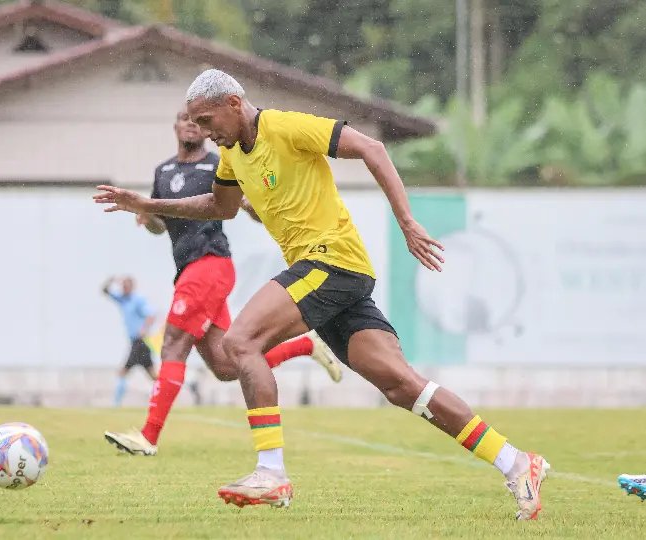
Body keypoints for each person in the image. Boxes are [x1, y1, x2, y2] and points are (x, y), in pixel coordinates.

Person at [93, 69, 551, 521]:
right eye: (197, 123)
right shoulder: (232, 155)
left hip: (331, 262)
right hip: (334, 274)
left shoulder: (287, 127)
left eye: (208, 121)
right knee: (402, 386)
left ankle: (271, 473)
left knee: (239, 342)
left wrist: (407, 220)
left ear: (234, 104)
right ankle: (516, 463)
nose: (204, 133)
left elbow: (372, 148)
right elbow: (220, 207)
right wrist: (147, 204)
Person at [102, 108, 342, 456]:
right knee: (227, 366)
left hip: (210, 264)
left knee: (172, 345)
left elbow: (251, 207)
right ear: (175, 126)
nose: (190, 124)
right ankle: (306, 346)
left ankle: (148, 437)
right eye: (184, 118)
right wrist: (145, 217)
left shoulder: (219, 164)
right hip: (188, 269)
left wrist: (250, 203)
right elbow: (158, 225)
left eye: (196, 120)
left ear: (203, 128)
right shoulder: (163, 171)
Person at [103, 275, 157, 407]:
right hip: (135, 342)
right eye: (122, 286)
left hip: (140, 341)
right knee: (153, 376)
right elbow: (105, 291)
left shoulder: (138, 300)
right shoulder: (123, 300)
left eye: (126, 286)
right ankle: (181, 389)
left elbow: (150, 315)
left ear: (131, 286)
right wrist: (111, 280)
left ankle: (116, 404)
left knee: (123, 372)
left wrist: (144, 329)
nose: (123, 288)